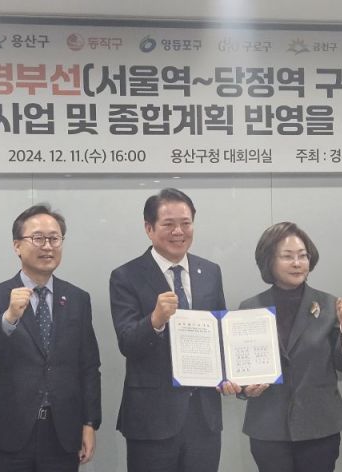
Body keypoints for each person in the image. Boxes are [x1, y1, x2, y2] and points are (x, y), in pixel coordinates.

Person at [0, 204, 101, 472]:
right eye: (38, 238)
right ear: (17, 246)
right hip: (9, 429)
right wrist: (9, 317)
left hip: (62, 431)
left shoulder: (77, 299)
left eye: (54, 238)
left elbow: (89, 366)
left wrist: (89, 423)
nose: (48, 246)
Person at [109, 188, 227, 472]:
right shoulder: (126, 276)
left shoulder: (210, 272)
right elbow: (127, 343)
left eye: (186, 223)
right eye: (168, 224)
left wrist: (231, 375)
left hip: (204, 417)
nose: (178, 232)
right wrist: (155, 320)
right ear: (149, 228)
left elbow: (221, 336)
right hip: (152, 419)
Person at [231, 222, 342, 472]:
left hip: (319, 425)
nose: (297, 263)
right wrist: (245, 389)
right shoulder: (250, 308)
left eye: (303, 256)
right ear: (269, 261)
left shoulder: (329, 305)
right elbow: (241, 370)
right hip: (268, 426)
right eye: (287, 256)